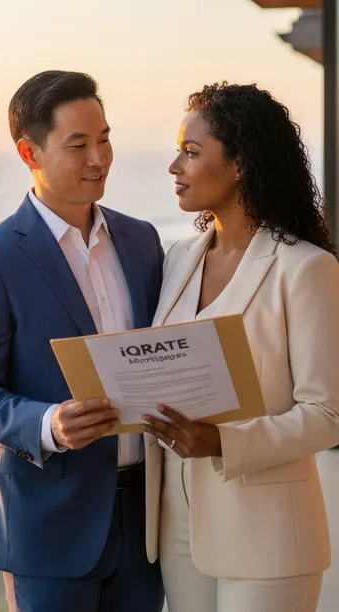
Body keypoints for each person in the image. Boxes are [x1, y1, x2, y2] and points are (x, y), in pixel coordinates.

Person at [0, 70, 165, 612]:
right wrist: (47, 424)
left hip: (148, 526)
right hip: (47, 531)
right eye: (79, 145)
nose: (100, 158)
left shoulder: (142, 240)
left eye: (105, 139)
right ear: (30, 152)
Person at [140, 82, 339, 612]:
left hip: (270, 535)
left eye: (191, 151)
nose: (174, 166)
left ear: (241, 164)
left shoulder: (306, 268)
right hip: (179, 528)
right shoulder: (178, 258)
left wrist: (219, 442)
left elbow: (326, 414)